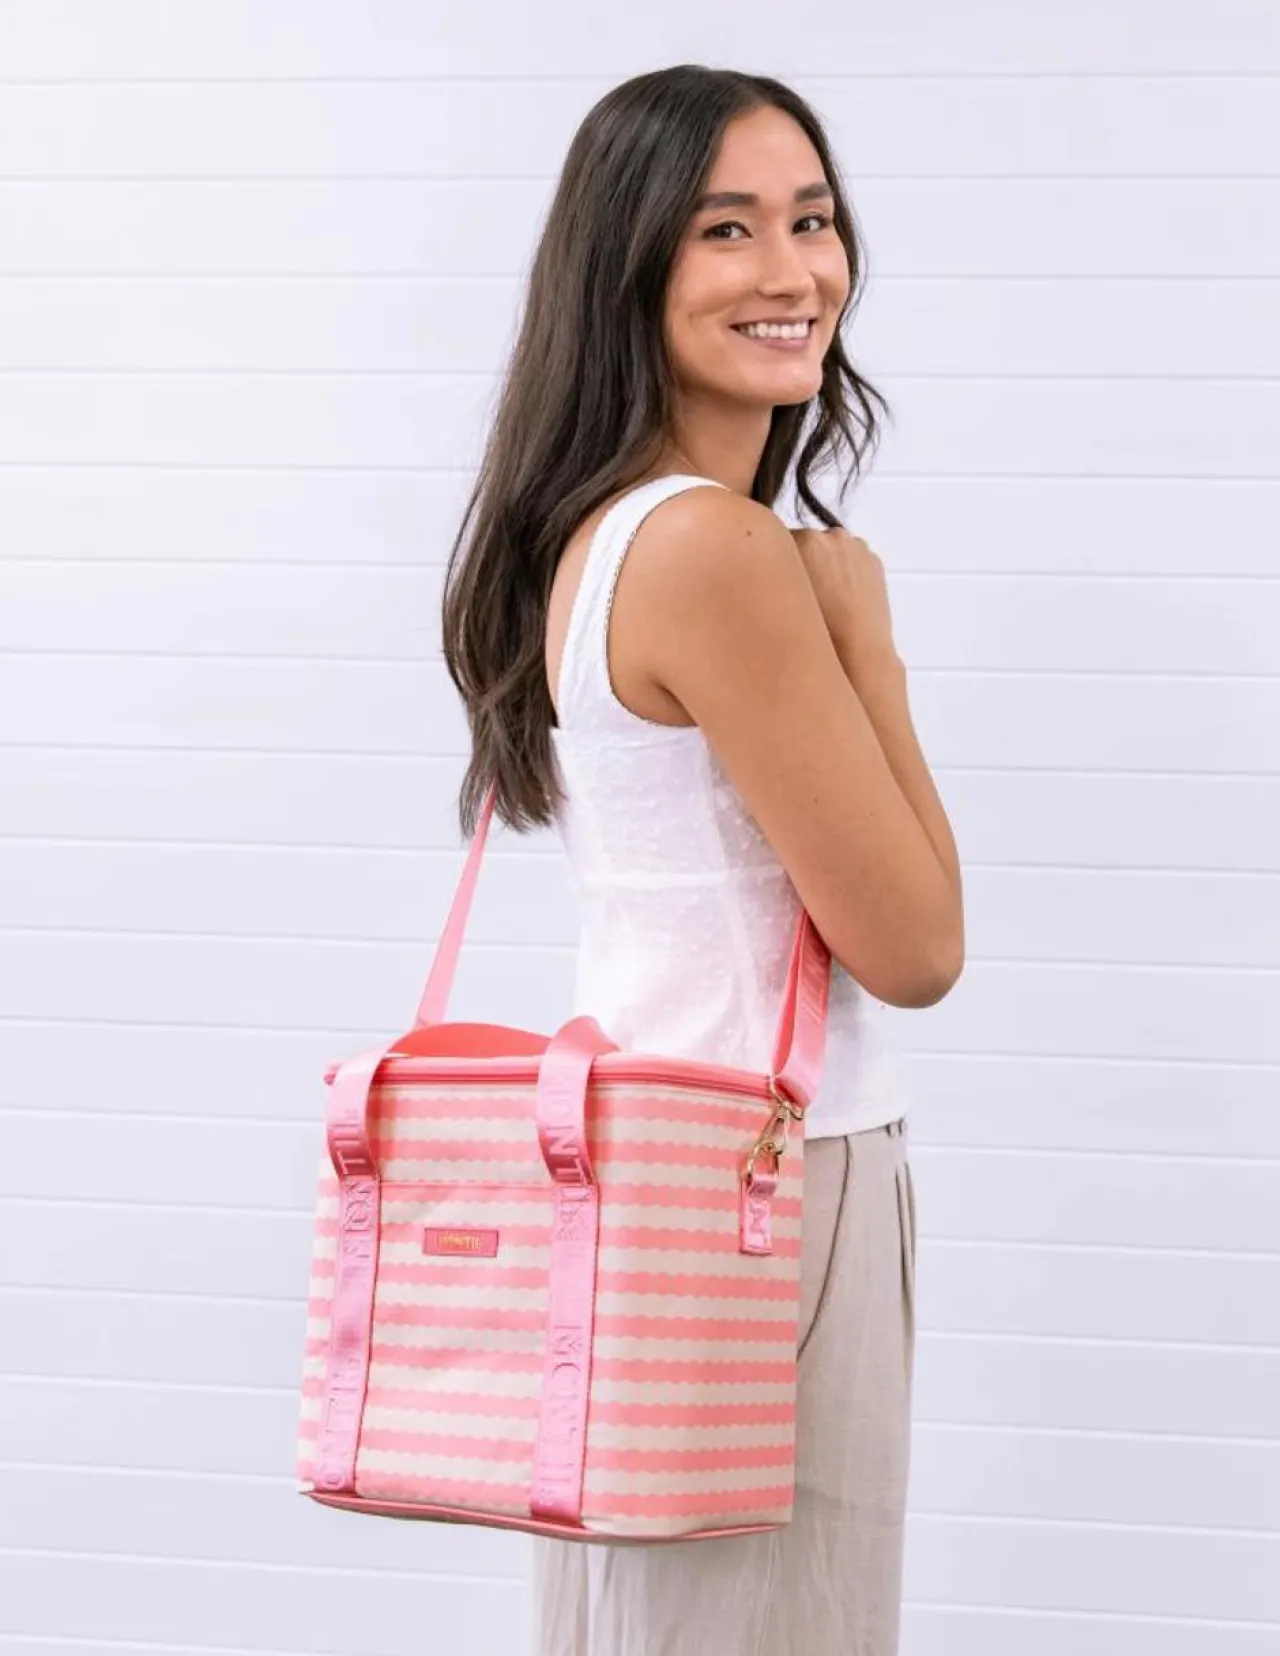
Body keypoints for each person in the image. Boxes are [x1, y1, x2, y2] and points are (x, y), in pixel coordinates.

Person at [439, 62, 965, 1656]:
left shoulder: (600, 530)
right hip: (762, 1179)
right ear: (630, 266)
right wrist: (866, 644)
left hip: (639, 1162)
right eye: (725, 229)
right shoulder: (717, 550)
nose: (791, 270)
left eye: (813, 219)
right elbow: (915, 949)